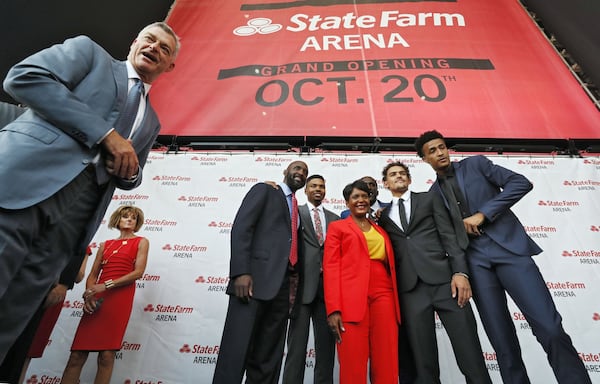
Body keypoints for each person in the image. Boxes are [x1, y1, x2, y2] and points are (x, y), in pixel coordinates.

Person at [0, 22, 179, 362]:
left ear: (169, 65)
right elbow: (23, 77)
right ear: (134, 42)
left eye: (165, 49)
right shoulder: (89, 54)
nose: (155, 48)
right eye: (150, 40)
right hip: (24, 187)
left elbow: (132, 174)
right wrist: (105, 134)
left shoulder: (152, 121)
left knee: (11, 319)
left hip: (74, 221)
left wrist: (130, 172)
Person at [415, 130, 591, 384]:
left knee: (550, 328)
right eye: (432, 151)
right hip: (475, 264)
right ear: (424, 159)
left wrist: (483, 214)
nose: (440, 153)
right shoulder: (432, 197)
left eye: (442, 147)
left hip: (510, 251)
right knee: (501, 341)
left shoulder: (476, 164)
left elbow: (521, 183)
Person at [378, 161, 491, 384]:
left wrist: (460, 272)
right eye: (393, 174)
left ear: (409, 180)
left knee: (469, 353)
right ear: (386, 183)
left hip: (445, 283)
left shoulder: (430, 199)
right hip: (410, 291)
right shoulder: (382, 216)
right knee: (424, 362)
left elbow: (450, 236)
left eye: (403, 173)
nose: (399, 176)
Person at [212, 161, 309, 384]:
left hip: (283, 289)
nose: (300, 173)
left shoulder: (297, 210)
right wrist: (240, 272)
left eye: (304, 172)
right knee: (236, 352)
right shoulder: (265, 190)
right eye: (297, 168)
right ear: (285, 172)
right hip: (251, 283)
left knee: (268, 358)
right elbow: (242, 228)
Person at [61, 205, 149, 384]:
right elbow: (93, 275)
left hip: (120, 298)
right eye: (126, 216)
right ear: (118, 220)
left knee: (107, 355)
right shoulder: (105, 245)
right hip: (97, 298)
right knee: (77, 355)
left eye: (133, 218)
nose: (130, 219)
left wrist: (106, 285)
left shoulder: (141, 241)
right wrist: (89, 295)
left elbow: (138, 272)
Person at [323, 179, 400, 384]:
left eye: (364, 196)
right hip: (350, 298)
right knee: (352, 359)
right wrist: (333, 308)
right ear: (347, 202)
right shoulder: (337, 227)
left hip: (384, 292)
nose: (361, 200)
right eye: (355, 197)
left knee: (387, 356)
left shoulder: (380, 229)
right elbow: (330, 268)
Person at [0, 247, 90, 384]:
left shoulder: (81, 245)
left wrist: (63, 278)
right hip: (21, 283)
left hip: (51, 293)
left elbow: (79, 276)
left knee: (28, 348)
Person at [282, 175, 339, 384]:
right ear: (305, 190)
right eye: (313, 185)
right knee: (296, 347)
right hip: (301, 288)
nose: (318, 189)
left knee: (326, 350)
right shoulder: (295, 213)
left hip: (329, 292)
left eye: (322, 186)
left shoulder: (335, 218)